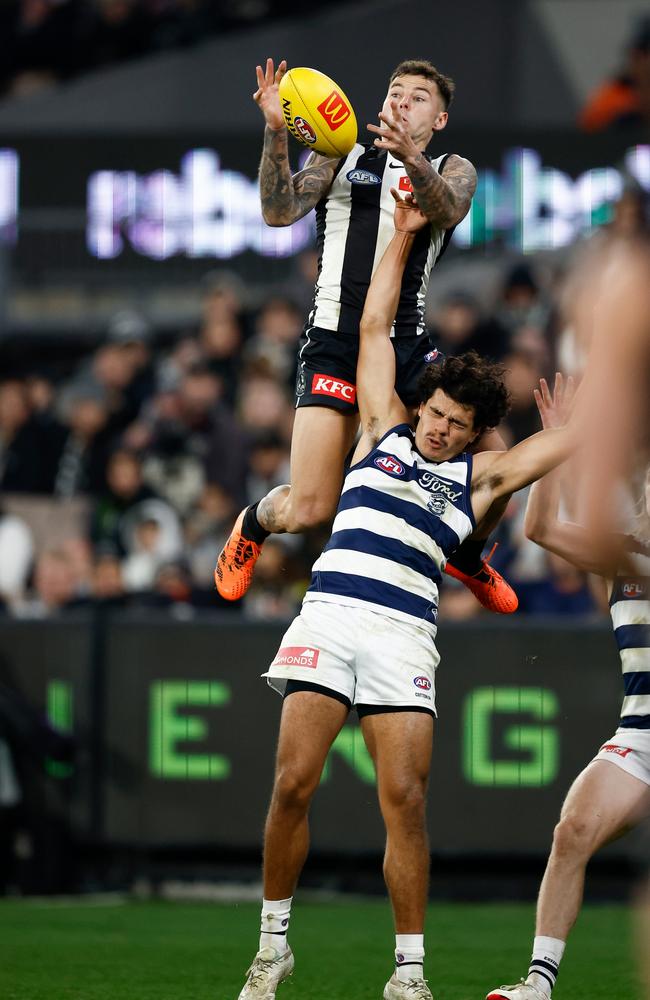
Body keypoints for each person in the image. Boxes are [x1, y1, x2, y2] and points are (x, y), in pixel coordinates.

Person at [234, 193, 581, 1000]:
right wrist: (403, 235)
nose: (438, 428)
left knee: (407, 801)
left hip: (401, 632)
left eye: (456, 423)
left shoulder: (479, 476)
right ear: (421, 406)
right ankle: (273, 946)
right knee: (291, 782)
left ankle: (409, 973)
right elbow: (372, 326)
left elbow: (569, 439)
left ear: (472, 431)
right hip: (332, 612)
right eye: (435, 413)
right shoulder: (382, 424)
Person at [215, 56, 518, 614]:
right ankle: (254, 523)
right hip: (335, 338)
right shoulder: (337, 154)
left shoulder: (454, 167)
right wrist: (276, 132)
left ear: (440, 119)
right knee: (309, 510)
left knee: (496, 458)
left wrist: (409, 158)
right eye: (395, 90)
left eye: (419, 96)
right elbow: (278, 211)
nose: (403, 100)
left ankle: (469, 556)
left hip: (406, 343)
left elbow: (446, 208)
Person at [486, 377, 650, 1000]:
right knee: (573, 829)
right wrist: (556, 440)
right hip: (641, 736)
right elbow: (542, 527)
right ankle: (537, 984)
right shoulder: (624, 553)